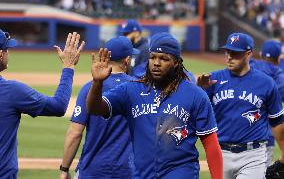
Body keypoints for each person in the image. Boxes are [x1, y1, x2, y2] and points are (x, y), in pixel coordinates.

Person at [86, 32, 223, 179]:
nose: (156, 63)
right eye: (153, 57)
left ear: (176, 62)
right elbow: (94, 108)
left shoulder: (195, 95)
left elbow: (210, 144)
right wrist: (97, 83)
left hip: (181, 173)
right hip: (143, 175)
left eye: (164, 59)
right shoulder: (131, 90)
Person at [197, 32, 284, 179]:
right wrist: (200, 91)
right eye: (227, 52)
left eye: (235, 53)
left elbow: (277, 122)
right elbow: (197, 114)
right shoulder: (212, 80)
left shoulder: (266, 83)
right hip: (220, 153)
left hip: (253, 155)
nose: (229, 57)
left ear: (248, 53)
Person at [0, 30, 85, 178]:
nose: (9, 54)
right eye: (7, 49)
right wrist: (68, 67)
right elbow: (58, 106)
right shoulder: (12, 91)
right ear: (0, 55)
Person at [59, 36, 138, 179]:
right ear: (127, 60)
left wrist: (64, 169)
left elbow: (75, 133)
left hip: (92, 170)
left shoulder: (89, 88)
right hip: (128, 171)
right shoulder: (140, 88)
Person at [249, 40, 284, 166]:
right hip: (264, 138)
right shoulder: (279, 78)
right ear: (279, 58)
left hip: (236, 135)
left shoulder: (248, 67)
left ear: (261, 53)